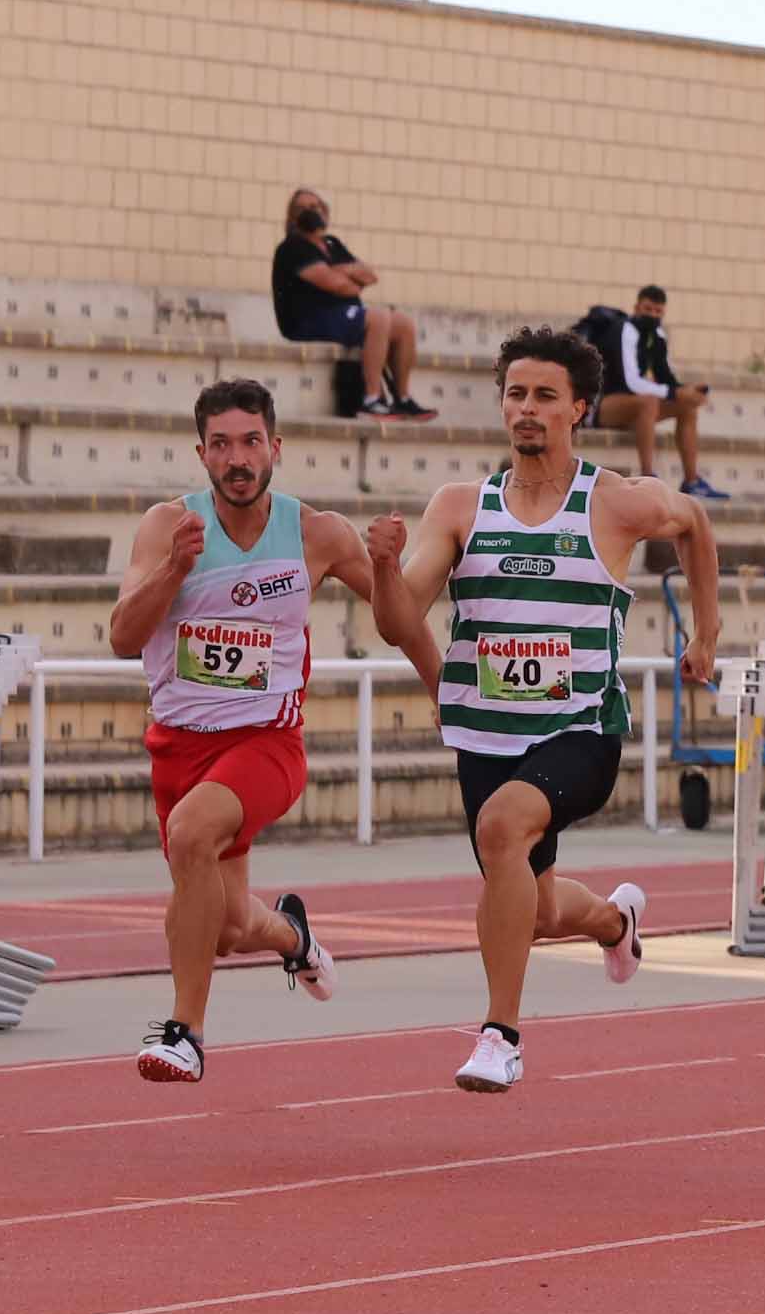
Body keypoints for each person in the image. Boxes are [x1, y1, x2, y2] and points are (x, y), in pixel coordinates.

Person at [369, 328, 718, 1093]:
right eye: (516, 394)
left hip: (580, 730)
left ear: (578, 408)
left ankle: (500, 1035)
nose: (527, 409)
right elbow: (399, 621)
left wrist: (706, 628)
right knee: (529, 904)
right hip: (486, 731)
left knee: (502, 830)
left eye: (544, 396)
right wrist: (385, 568)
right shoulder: (460, 506)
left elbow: (694, 523)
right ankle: (613, 923)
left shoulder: (617, 501)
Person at [108, 379, 437, 1083]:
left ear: (275, 447)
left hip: (267, 744)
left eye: (250, 442)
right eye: (221, 444)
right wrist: (174, 570)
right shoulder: (168, 527)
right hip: (178, 747)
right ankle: (293, 936)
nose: (237, 458)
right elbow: (121, 637)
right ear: (201, 453)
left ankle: (185, 1034)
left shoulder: (315, 532)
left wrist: (432, 667)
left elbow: (399, 614)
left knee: (192, 834)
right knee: (226, 929)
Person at [269, 191, 433, 421]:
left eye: (316, 206)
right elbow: (341, 287)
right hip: (308, 320)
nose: (312, 211)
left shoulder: (331, 243)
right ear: (293, 216)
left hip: (341, 315)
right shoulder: (292, 247)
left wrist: (340, 271)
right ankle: (372, 400)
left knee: (403, 324)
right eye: (304, 207)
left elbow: (370, 275)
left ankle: (402, 398)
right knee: (378, 318)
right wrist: (349, 277)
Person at [580, 286, 723, 498]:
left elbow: (665, 376)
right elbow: (630, 383)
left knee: (687, 405)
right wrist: (674, 393)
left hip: (632, 407)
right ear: (636, 307)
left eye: (658, 311)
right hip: (602, 406)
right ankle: (648, 478)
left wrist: (686, 392)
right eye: (648, 309)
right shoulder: (623, 330)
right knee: (649, 402)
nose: (652, 316)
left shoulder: (657, 334)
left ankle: (692, 481)